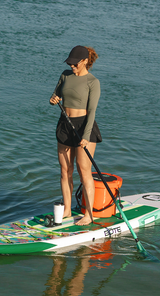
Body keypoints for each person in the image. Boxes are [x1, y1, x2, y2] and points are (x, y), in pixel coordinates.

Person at [49, 45, 102, 225]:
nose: (72, 66)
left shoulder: (92, 82)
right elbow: (55, 95)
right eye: (70, 63)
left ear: (84, 61)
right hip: (65, 124)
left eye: (75, 64)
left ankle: (89, 214)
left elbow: (92, 111)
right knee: (65, 171)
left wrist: (86, 136)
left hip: (83, 127)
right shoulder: (65, 75)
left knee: (84, 171)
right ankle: (67, 210)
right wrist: (53, 99)